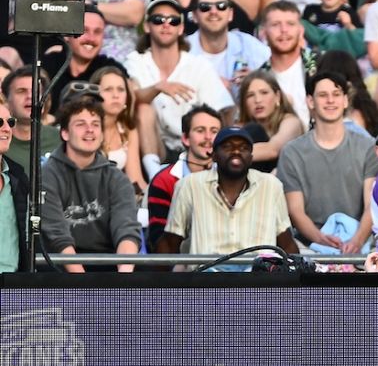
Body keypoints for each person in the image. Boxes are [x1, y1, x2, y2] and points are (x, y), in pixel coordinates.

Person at [158, 124, 296, 263]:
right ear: (214, 155)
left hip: (258, 278)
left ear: (251, 157)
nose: (236, 152)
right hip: (206, 277)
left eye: (243, 148)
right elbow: (171, 242)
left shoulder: (271, 185)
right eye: (227, 147)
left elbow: (287, 243)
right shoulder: (190, 185)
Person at [278, 71, 378, 254]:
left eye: (336, 94)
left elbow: (371, 205)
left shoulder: (367, 147)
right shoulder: (292, 153)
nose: (330, 101)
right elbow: (295, 210)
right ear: (310, 102)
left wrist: (356, 242)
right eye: (323, 95)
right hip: (308, 245)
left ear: (345, 101)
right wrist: (321, 239)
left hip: (360, 242)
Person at [40, 97, 142, 273]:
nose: (89, 130)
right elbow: (57, 236)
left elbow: (126, 229)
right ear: (64, 133)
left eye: (95, 124)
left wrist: (124, 278)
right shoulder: (47, 174)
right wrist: (84, 285)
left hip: (107, 264)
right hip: (59, 266)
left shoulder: (117, 178)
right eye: (80, 124)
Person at [126, 0, 234, 159]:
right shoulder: (135, 60)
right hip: (156, 145)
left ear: (181, 27)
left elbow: (223, 108)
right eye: (158, 19)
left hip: (195, 148)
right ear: (147, 26)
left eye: (173, 21)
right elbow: (131, 97)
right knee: (143, 109)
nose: (166, 24)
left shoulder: (198, 65)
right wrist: (157, 88)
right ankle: (154, 174)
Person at [144, 103, 220, 251]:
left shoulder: (231, 177)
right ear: (185, 138)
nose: (208, 137)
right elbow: (158, 241)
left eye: (214, 131)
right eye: (200, 130)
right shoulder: (164, 179)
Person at [187, 0, 270, 98]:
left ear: (230, 14)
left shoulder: (248, 44)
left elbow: (276, 80)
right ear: (194, 16)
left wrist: (255, 81)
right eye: (205, 7)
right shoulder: (182, 51)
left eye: (221, 6)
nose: (214, 12)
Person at [41, 5, 124, 111]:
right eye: (84, 30)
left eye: (97, 32)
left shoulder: (112, 69)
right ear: (66, 34)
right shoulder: (46, 65)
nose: (91, 38)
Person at [259, 1, 316, 128]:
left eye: (290, 24)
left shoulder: (322, 64)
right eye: (275, 25)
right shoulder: (259, 78)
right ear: (263, 33)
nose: (284, 30)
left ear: (301, 31)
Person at [235, 69, 302, 172]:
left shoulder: (291, 122)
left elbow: (272, 150)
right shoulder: (244, 127)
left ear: (277, 97)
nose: (258, 100)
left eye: (264, 93)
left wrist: (230, 155)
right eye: (250, 95)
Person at [92, 66, 145, 192]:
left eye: (121, 90)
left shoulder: (128, 130)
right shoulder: (86, 126)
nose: (115, 95)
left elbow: (135, 179)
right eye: (108, 89)